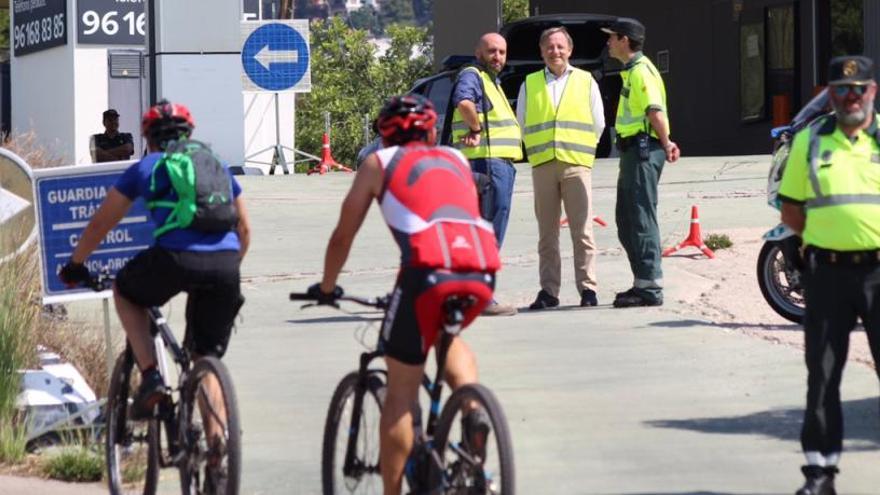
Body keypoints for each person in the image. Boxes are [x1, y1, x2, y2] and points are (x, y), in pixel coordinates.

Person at [310, 94, 499, 495]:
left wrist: (327, 287)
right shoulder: (456, 158)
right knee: (448, 336)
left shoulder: (379, 163)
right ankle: (472, 408)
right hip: (481, 268)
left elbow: (344, 234)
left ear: (382, 135)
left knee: (399, 394)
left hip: (426, 274)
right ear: (431, 132)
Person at [59, 101, 251, 485]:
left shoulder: (146, 167)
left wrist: (75, 265)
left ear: (147, 137)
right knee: (205, 356)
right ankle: (216, 453)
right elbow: (244, 229)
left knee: (127, 292)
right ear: (189, 134)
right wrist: (226, 267)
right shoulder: (215, 165)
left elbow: (100, 224)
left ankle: (151, 377)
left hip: (174, 259)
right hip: (227, 264)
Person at [777, 55, 880, 495]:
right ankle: (820, 474)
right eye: (840, 89)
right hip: (828, 274)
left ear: (872, 90)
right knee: (822, 374)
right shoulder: (812, 141)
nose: (850, 97)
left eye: (858, 89)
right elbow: (791, 210)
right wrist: (826, 238)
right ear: (830, 94)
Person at [516, 26, 605, 310]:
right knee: (547, 234)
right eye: (549, 47)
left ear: (570, 50)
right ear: (542, 51)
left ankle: (588, 289)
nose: (555, 51)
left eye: (560, 47)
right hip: (543, 165)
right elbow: (522, 122)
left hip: (576, 164)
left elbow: (598, 122)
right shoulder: (529, 84)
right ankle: (549, 291)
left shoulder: (586, 81)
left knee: (583, 231)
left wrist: (583, 150)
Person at [603, 18, 680, 308]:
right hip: (634, 151)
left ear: (625, 40)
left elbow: (654, 112)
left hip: (643, 150)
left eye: (612, 37)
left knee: (640, 217)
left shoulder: (641, 73)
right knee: (627, 219)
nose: (608, 42)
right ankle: (641, 282)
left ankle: (649, 287)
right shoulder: (632, 71)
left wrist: (667, 141)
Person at [450, 32, 522, 316]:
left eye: (502, 52)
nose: (498, 57)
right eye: (492, 51)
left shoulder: (491, 81)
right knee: (489, 233)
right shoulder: (473, 75)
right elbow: (465, 103)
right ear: (478, 52)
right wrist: (477, 129)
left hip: (490, 165)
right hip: (488, 166)